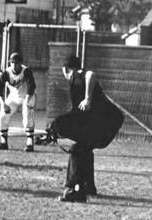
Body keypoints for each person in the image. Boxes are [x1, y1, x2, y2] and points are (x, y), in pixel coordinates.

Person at [50, 54, 124, 202]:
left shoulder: (76, 76)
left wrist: (87, 98)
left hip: (105, 123)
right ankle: (88, 186)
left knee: (77, 148)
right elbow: (76, 115)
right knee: (83, 146)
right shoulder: (76, 85)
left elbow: (91, 74)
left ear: (66, 69)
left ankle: (75, 190)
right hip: (108, 122)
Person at [0, 52, 37, 152]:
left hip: (27, 96)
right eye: (12, 62)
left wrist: (27, 101)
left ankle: (30, 143)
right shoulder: (6, 72)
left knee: (27, 116)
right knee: (3, 116)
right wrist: (3, 104)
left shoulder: (26, 71)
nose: (14, 65)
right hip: (14, 97)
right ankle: (3, 142)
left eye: (16, 63)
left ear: (20, 63)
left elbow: (31, 87)